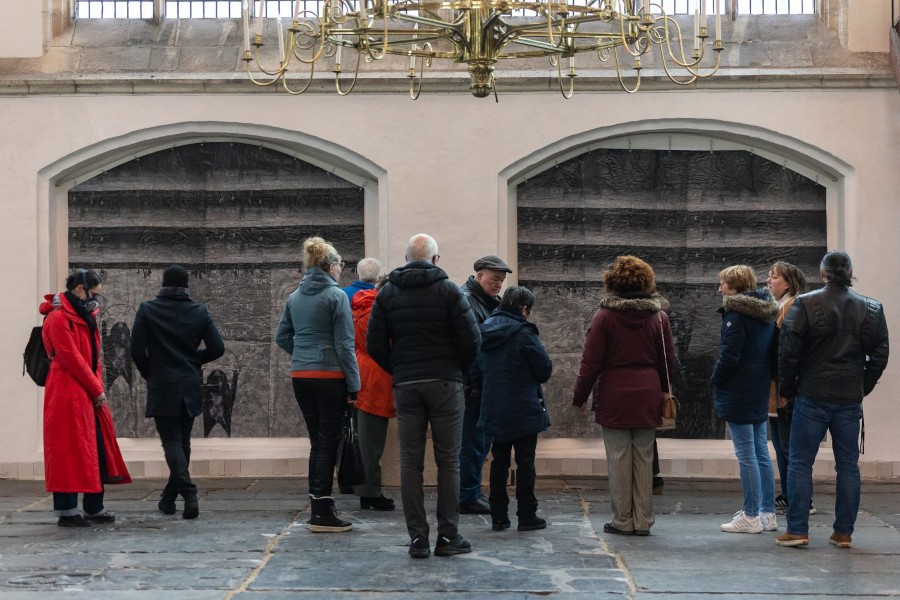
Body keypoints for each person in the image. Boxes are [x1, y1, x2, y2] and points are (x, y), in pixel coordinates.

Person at [367, 233, 481, 558]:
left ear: (405, 260)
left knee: (410, 462)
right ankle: (448, 537)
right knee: (448, 462)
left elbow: (375, 343)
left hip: (407, 384)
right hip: (446, 383)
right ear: (435, 259)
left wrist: (399, 368)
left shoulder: (387, 292)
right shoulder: (449, 290)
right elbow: (472, 339)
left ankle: (418, 539)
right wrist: (457, 370)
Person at [776, 251, 889, 549]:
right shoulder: (872, 308)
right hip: (849, 398)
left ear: (822, 273)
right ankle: (843, 533)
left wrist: (785, 390)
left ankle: (798, 530)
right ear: (850, 273)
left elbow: (789, 352)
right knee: (848, 466)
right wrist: (861, 386)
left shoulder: (804, 303)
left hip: (812, 394)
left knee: (800, 463)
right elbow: (880, 354)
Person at [572, 256, 674, 537]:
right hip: (648, 393)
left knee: (618, 458)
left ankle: (622, 520)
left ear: (613, 283)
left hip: (614, 393)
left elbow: (590, 362)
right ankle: (643, 520)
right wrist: (664, 391)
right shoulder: (659, 317)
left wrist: (580, 396)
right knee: (644, 457)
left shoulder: (604, 316)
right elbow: (669, 361)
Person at [275, 237, 361, 532]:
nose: (341, 270)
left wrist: (303, 354)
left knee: (318, 442)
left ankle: (318, 503)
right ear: (329, 266)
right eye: (340, 265)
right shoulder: (336, 297)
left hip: (302, 376)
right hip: (330, 377)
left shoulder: (294, 297)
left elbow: (281, 337)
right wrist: (354, 385)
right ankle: (322, 511)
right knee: (328, 443)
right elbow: (345, 345)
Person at [131, 265, 225, 519]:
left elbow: (136, 350)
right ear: (186, 286)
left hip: (162, 383)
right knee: (183, 443)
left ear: (163, 283)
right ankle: (169, 498)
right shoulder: (199, 312)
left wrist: (150, 371)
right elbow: (217, 348)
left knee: (172, 442)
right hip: (189, 383)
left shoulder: (148, 310)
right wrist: (194, 360)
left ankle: (188, 492)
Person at [40, 269, 131, 526]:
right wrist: (98, 390)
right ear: (80, 289)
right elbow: (72, 359)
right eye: (94, 293)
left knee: (96, 450)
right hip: (67, 391)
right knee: (68, 451)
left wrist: (95, 388)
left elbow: (92, 358)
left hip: (86, 390)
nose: (96, 300)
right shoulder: (58, 318)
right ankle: (67, 512)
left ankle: (94, 507)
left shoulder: (85, 315)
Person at [473, 286, 552, 532]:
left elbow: (475, 371)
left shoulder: (483, 331)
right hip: (523, 407)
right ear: (524, 308)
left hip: (494, 406)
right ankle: (527, 515)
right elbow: (544, 369)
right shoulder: (524, 332)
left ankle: (498, 516)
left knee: (499, 461)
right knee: (525, 462)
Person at [712, 265, 778, 534]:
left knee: (746, 455)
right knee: (761, 452)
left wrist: (716, 379)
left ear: (736, 286)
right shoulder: (765, 313)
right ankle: (768, 513)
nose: (720, 288)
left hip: (738, 390)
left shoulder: (736, 315)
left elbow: (730, 355)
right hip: (759, 388)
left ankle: (750, 516)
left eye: (724, 284)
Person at [459, 255, 512, 514]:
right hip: (473, 385)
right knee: (472, 442)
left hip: (483, 384)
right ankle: (467, 495)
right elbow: (472, 345)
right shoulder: (468, 301)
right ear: (479, 275)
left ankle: (471, 491)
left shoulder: (486, 302)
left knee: (479, 442)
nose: (498, 285)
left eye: (501, 281)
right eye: (495, 279)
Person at [765, 261, 813, 515]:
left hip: (786, 390)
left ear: (789, 283)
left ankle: (800, 498)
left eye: (774, 277)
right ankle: (790, 494)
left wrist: (787, 389)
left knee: (789, 447)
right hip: (778, 388)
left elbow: (790, 353)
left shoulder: (794, 307)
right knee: (783, 446)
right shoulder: (782, 307)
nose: (769, 281)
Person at [351, 280, 396, 511]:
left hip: (363, 371)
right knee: (372, 441)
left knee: (367, 437)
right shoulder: (375, 312)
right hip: (376, 377)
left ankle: (367, 490)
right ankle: (370, 492)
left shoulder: (363, 306)